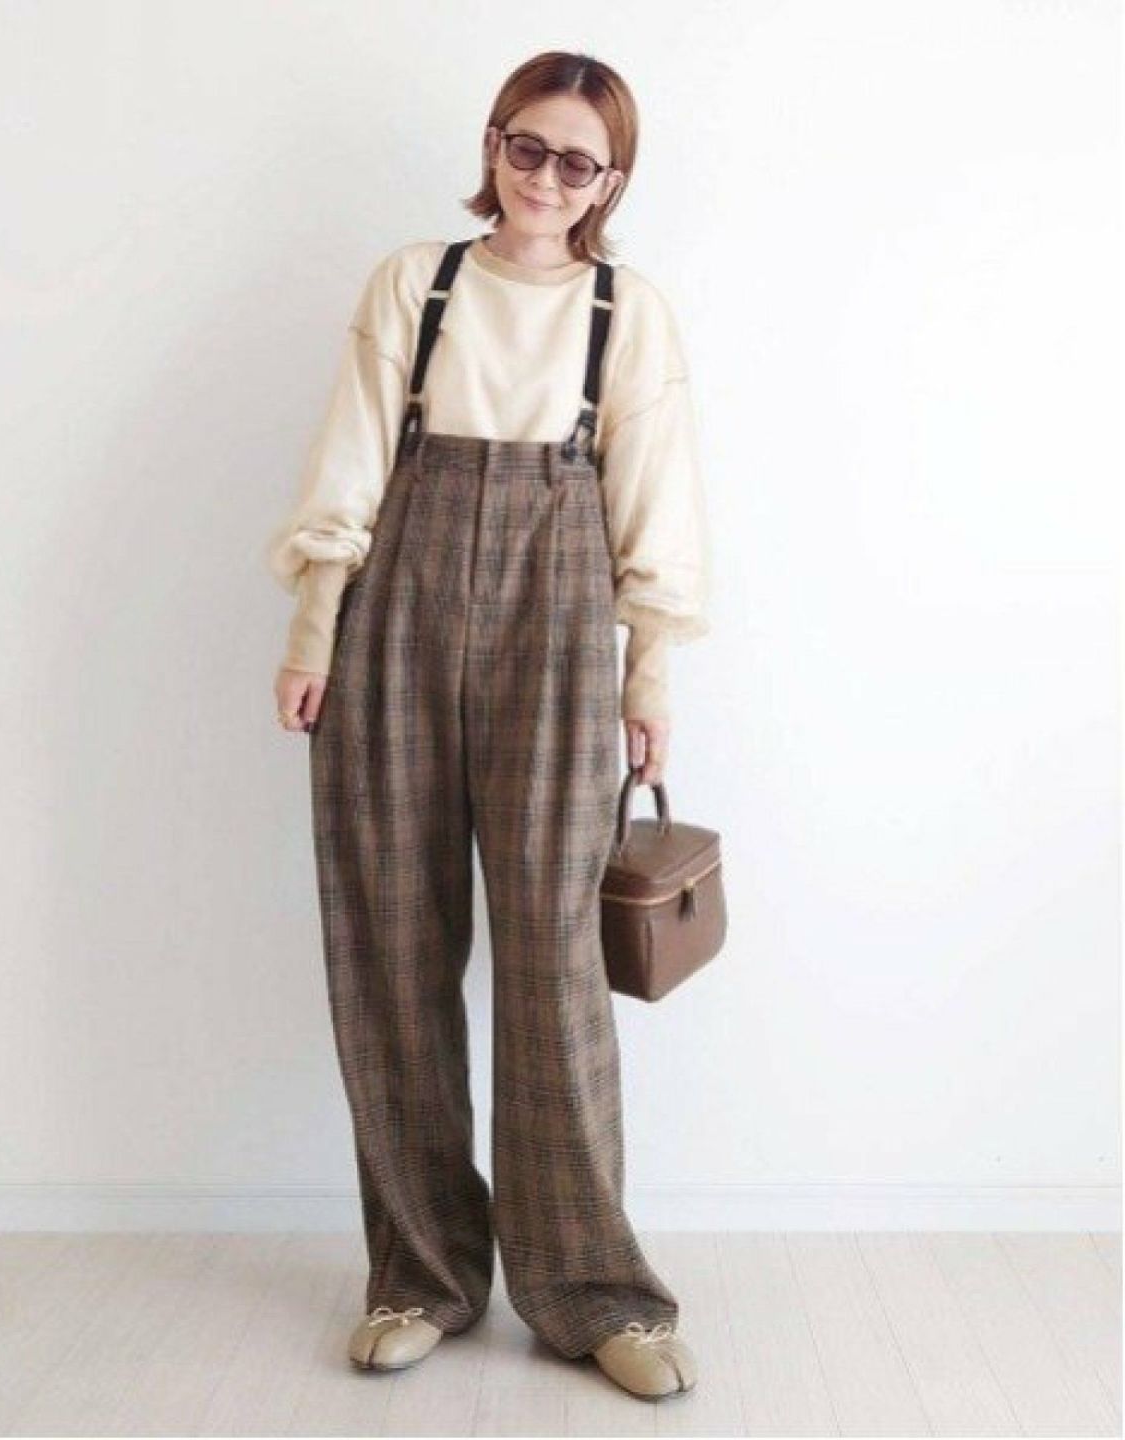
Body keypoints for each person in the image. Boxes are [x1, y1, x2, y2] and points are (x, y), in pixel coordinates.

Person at [264, 51, 712, 1402]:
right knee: (389, 942)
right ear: (493, 144)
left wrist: (648, 679)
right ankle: (421, 1275)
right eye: (528, 147)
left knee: (555, 962)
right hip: (390, 615)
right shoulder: (416, 282)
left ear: (611, 180)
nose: (545, 179)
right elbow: (352, 453)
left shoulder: (627, 312)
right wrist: (312, 629)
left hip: (560, 629)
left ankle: (594, 1292)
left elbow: (658, 500)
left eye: (578, 162)